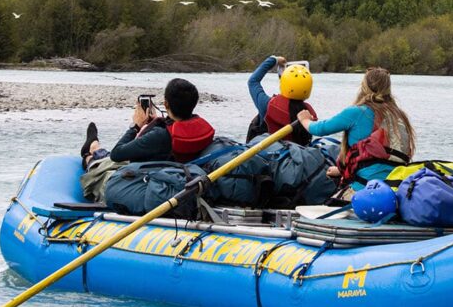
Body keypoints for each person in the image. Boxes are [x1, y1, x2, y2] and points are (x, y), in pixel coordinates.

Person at [80, 78, 215, 201]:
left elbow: (117, 154)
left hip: (148, 178)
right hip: (177, 173)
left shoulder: (160, 135)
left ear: (166, 104)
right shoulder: (201, 130)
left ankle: (89, 154)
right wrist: (154, 123)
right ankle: (94, 147)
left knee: (104, 164)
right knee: (111, 159)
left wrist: (135, 126)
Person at [297, 67, 415, 191]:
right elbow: (381, 159)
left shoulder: (357, 112)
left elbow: (320, 129)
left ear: (363, 87)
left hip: (364, 189)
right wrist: (340, 171)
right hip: (394, 188)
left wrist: (304, 120)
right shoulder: (400, 116)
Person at [246, 55, 317, 144]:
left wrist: (274, 60)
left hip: (267, 154)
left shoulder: (267, 105)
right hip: (296, 154)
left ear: (283, 83)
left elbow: (253, 81)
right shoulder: (309, 114)